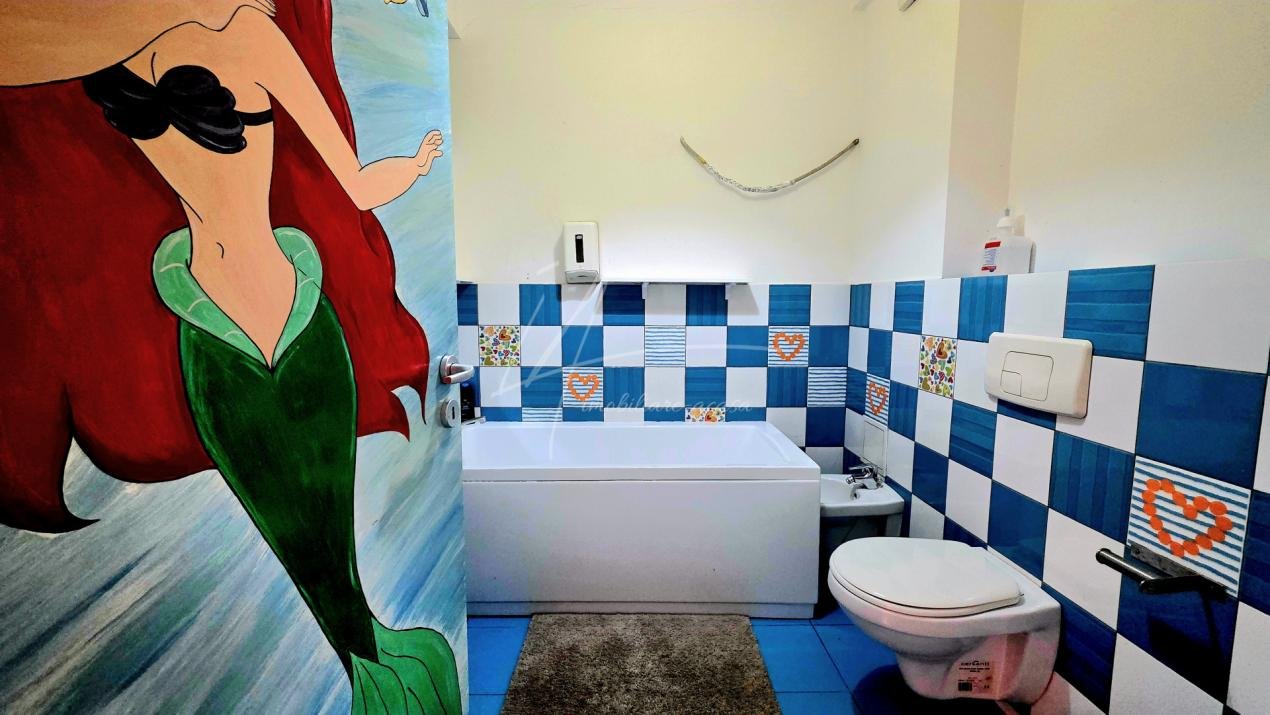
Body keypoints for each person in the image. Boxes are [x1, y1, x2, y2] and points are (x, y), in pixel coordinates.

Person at [0, 2, 458, 712]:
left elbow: (356, 185)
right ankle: (375, 672)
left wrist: (420, 165)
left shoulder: (250, 35)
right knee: (296, 546)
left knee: (328, 544)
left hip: (294, 319)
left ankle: (385, 676)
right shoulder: (115, 35)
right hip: (205, 329)